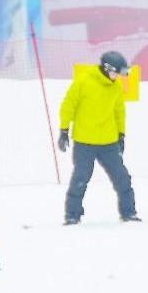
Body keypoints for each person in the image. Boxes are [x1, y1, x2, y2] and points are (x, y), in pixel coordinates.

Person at [58, 51, 140, 224]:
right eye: (116, 73)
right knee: (81, 177)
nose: (117, 77)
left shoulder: (116, 86)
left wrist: (121, 135)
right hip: (84, 141)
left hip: (108, 143)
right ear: (106, 68)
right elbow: (68, 105)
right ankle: (72, 215)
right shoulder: (84, 81)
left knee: (122, 177)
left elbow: (119, 112)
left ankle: (129, 213)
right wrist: (64, 130)